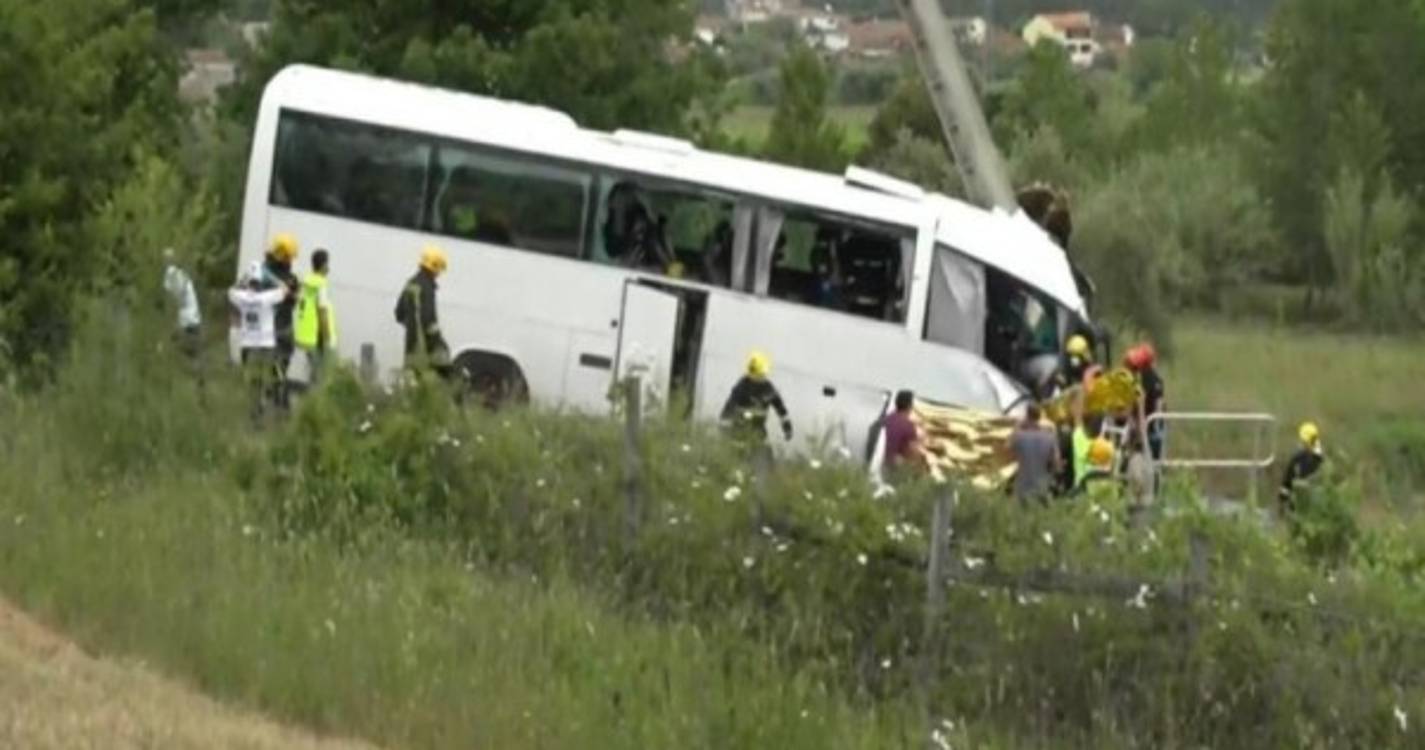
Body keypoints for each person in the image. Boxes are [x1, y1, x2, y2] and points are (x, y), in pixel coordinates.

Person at [229, 261, 291, 423]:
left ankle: (253, 408)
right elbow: (285, 290)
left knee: (252, 379)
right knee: (267, 377)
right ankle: (264, 405)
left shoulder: (240, 297)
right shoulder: (266, 298)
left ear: (249, 282)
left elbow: (230, 291)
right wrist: (271, 277)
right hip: (267, 344)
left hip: (249, 345)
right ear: (261, 283)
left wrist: (244, 277)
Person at [395, 245, 451, 376]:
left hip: (410, 347)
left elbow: (398, 313)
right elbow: (428, 321)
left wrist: (412, 326)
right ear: (434, 267)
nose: (439, 274)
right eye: (439, 269)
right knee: (443, 377)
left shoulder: (411, 283)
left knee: (412, 384)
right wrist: (440, 343)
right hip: (425, 349)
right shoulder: (427, 288)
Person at [719, 351, 793, 450]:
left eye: (761, 374)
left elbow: (780, 409)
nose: (759, 377)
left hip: (759, 431)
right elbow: (729, 406)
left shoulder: (768, 388)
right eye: (756, 374)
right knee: (737, 455)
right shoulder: (742, 387)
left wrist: (787, 428)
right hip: (739, 429)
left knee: (765, 459)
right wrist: (724, 428)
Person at [263, 234, 301, 406]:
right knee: (281, 366)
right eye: (289, 257)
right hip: (281, 328)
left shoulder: (263, 273)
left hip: (270, 328)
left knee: (274, 366)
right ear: (283, 257)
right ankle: (280, 399)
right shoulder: (290, 280)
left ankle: (275, 393)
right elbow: (293, 302)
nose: (291, 261)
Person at [294, 249, 336, 386]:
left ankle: (310, 399)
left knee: (313, 371)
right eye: (327, 263)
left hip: (305, 334)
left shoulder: (306, 281)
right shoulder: (320, 285)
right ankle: (313, 402)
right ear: (323, 265)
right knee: (319, 375)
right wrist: (328, 337)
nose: (329, 267)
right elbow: (322, 312)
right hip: (317, 335)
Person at [161, 247, 202, 379]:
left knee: (170, 345)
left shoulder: (170, 273)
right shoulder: (182, 273)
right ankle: (197, 379)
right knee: (192, 351)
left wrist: (172, 318)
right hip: (194, 315)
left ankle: (170, 374)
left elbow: (172, 298)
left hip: (184, 317)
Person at [1009, 402, 1060, 504]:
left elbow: (1007, 448)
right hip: (1042, 485)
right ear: (1039, 417)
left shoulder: (1019, 436)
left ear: (1027, 416)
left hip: (1022, 486)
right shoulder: (1050, 437)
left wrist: (1017, 425)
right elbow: (1056, 463)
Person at [1125, 343, 1166, 461]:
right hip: (1149, 425)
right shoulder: (1155, 380)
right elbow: (1159, 405)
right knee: (1154, 459)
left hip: (1139, 424)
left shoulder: (1136, 378)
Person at [1279, 421, 1326, 514]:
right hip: (1307, 505)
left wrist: (1283, 500)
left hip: (1305, 504)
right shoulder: (1321, 459)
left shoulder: (1301, 459)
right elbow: (1287, 483)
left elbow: (1287, 483)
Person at [881, 390, 926, 477]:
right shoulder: (908, 425)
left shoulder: (888, 418)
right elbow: (912, 451)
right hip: (893, 465)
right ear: (910, 406)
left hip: (883, 460)